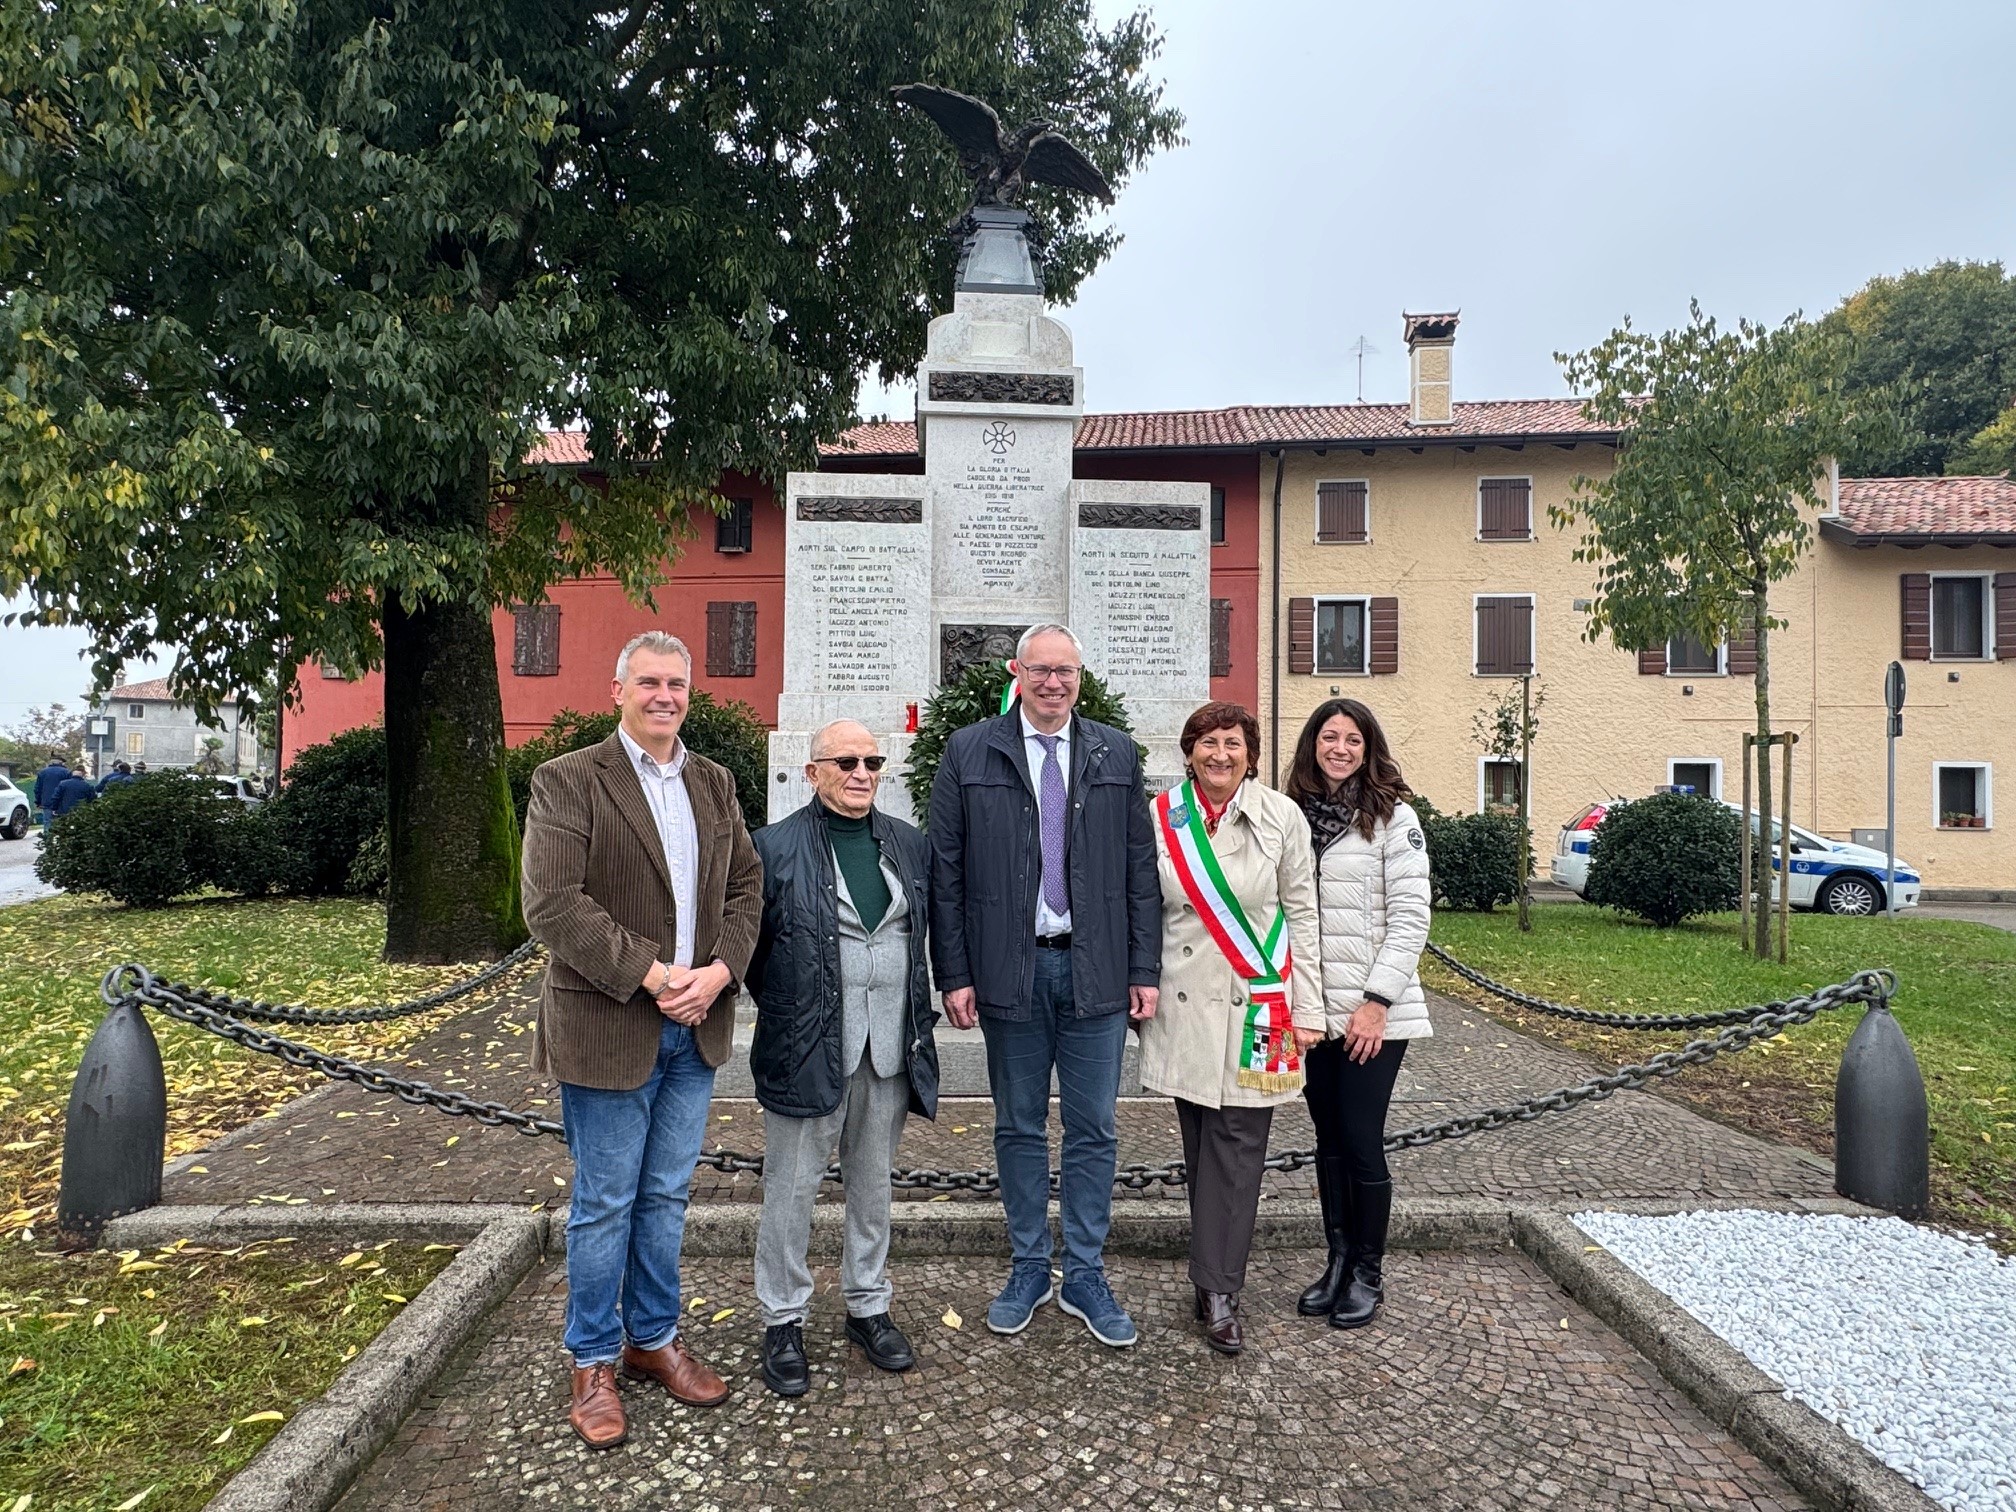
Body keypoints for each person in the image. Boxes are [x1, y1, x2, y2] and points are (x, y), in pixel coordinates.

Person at [521, 630, 762, 1450]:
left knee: (666, 1199)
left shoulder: (715, 781)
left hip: (695, 1028)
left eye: (677, 684)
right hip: (609, 1024)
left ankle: (652, 1339)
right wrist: (661, 977)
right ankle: (591, 1361)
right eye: (650, 682)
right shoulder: (569, 779)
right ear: (617, 688)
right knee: (604, 1204)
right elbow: (553, 905)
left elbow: (746, 886)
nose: (665, 696)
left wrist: (720, 971)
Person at [928, 623, 1160, 1347]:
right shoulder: (970, 750)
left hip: (1096, 971)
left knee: (1094, 1129)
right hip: (1010, 971)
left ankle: (1085, 1272)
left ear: (1079, 677)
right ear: (1016, 672)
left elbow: (1139, 872)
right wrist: (955, 973)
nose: (1054, 682)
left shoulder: (1114, 751)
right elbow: (947, 873)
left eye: (1066, 671)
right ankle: (1030, 1264)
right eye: (1041, 670)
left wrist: (1143, 970)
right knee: (1018, 1126)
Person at [747, 720, 939, 1398]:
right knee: (791, 1193)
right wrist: (798, 1008)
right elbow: (753, 954)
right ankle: (783, 1319)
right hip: (805, 1048)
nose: (862, 772)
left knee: (873, 1188)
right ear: (813, 772)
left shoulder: (908, 845)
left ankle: (868, 1304)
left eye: (872, 761)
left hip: (888, 1048)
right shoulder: (773, 848)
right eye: (846, 761)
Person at [1138, 702, 1320, 1354]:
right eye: (1209, 743)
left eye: (1233, 744)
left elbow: (1304, 916)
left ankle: (1219, 1288)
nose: (1221, 754)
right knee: (1201, 1149)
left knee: (1238, 1152)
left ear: (1252, 753)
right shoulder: (1161, 819)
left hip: (1261, 1005)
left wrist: (1309, 1010)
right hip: (1185, 1008)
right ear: (1189, 753)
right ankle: (1211, 1268)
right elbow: (1143, 911)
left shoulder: (1281, 817)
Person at [1283, 698, 1432, 1330]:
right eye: (1329, 737)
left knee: (1363, 1142)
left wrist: (1377, 1003)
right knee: (1328, 1143)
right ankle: (1338, 1262)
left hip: (1372, 1015)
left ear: (1369, 749)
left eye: (1353, 739)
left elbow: (1411, 917)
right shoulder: (1291, 815)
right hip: (1313, 1013)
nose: (1339, 748)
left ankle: (1369, 1272)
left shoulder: (1394, 819)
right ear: (1312, 744)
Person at [32, 753, 70, 825]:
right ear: (61, 762)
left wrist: (38, 802)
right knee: (63, 824)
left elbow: (37, 789)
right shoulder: (66, 772)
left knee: (48, 822)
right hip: (62, 803)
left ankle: (47, 836)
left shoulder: (43, 772)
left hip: (47, 803)